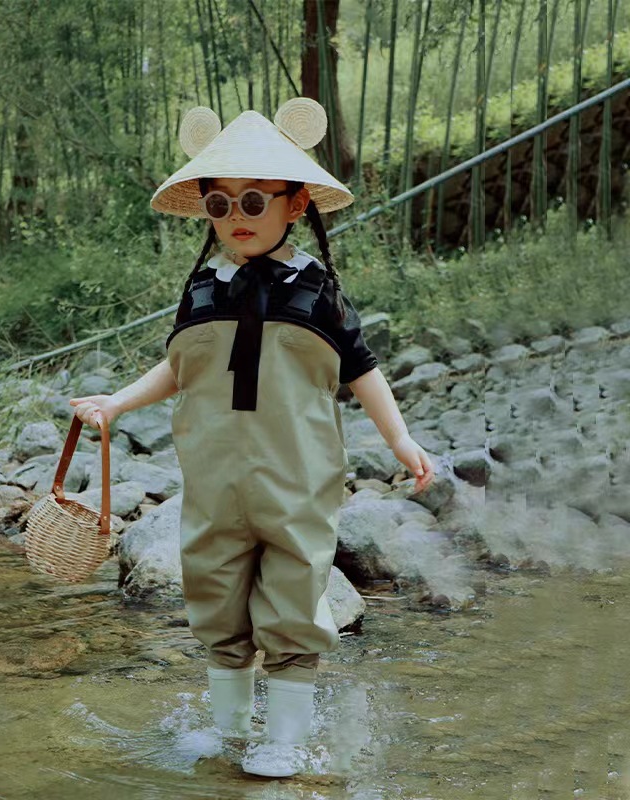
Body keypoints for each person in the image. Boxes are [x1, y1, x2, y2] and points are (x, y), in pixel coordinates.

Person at [70, 98, 434, 778]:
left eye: (254, 201)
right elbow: (178, 366)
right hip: (214, 478)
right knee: (214, 591)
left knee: (294, 593)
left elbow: (362, 369)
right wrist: (115, 403)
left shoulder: (318, 290)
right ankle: (229, 727)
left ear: (294, 205)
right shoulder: (205, 286)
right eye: (219, 204)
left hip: (296, 477)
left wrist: (402, 441)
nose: (235, 218)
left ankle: (288, 736)